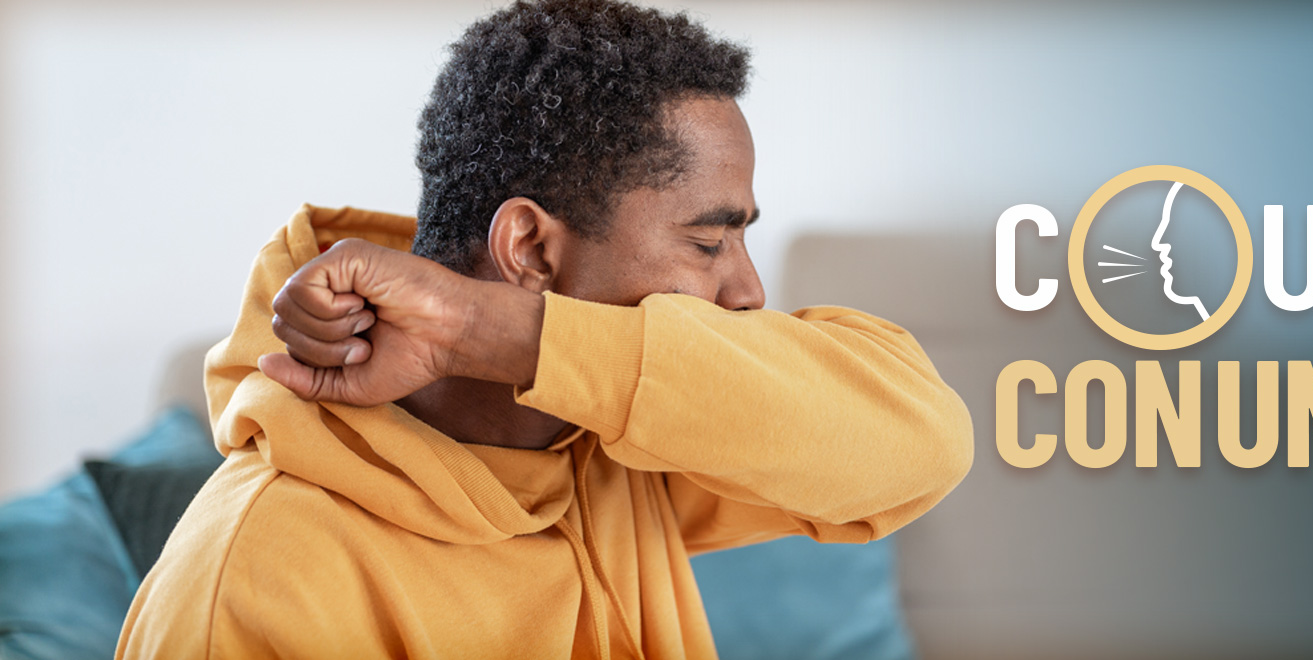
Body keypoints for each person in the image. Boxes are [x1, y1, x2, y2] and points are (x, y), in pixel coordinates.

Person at [115, 1, 973, 658]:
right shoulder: (261, 574)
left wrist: (482, 327)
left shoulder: (609, 440)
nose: (747, 291)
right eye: (709, 241)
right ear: (528, 246)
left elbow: (922, 444)